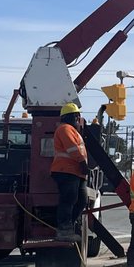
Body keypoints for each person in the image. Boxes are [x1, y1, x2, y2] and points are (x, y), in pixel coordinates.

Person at [51, 103, 89, 241]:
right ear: (73, 116)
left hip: (76, 172)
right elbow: (72, 147)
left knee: (81, 200)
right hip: (66, 171)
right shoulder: (64, 129)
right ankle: (63, 229)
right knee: (69, 199)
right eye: (77, 115)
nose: (78, 118)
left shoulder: (72, 130)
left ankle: (68, 227)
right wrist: (82, 162)